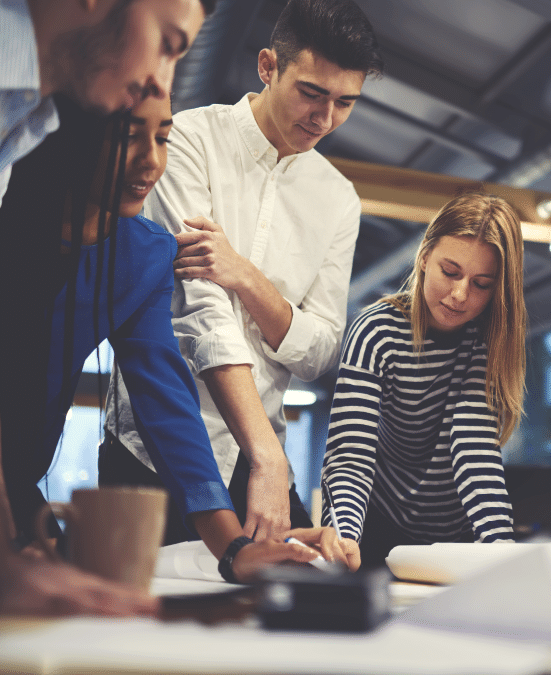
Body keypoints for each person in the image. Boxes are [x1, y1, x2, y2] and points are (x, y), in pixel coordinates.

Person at [0, 94, 352, 615]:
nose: (151, 162)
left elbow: (167, 405)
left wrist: (235, 549)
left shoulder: (143, 254)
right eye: (127, 138)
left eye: (161, 137)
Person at [100, 0, 382, 557]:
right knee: (139, 627)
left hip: (257, 462)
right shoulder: (183, 141)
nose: (325, 119)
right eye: (312, 93)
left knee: (290, 614)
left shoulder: (339, 200)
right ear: (268, 66)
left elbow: (322, 350)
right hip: (153, 449)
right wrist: (268, 455)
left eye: (345, 102)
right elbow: (197, 310)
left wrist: (248, 278)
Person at [0, 0, 213, 618]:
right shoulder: (29, 197)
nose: (159, 80)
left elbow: (167, 395)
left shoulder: (26, 121)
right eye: (169, 43)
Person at [321, 193, 525, 568]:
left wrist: (500, 547)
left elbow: (475, 451)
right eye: (450, 272)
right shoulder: (377, 331)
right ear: (425, 257)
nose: (460, 294)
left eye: (481, 283)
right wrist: (345, 533)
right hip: (376, 526)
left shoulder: (485, 341)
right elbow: (352, 454)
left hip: (457, 535)